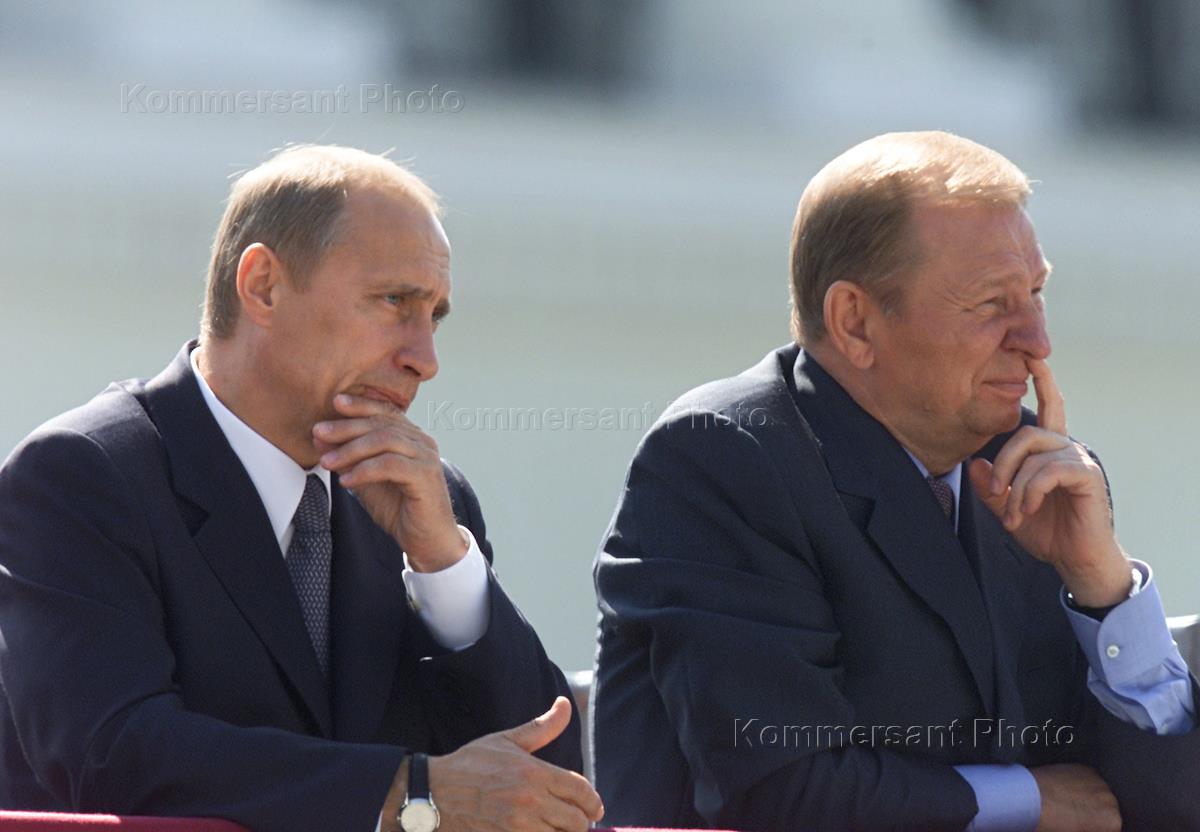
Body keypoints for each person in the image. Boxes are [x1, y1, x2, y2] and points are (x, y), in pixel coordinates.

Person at [592, 131, 1198, 831]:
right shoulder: (725, 456)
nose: (1037, 340)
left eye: (1035, 293)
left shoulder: (1041, 470)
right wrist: (1031, 800)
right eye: (991, 304)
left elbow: (1171, 804)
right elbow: (777, 792)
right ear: (855, 322)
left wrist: (1103, 586)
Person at [0, 145, 604, 832]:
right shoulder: (82, 476)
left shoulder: (430, 506)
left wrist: (447, 566)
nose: (425, 359)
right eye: (394, 302)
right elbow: (113, 754)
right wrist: (411, 794)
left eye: (434, 316)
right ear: (262, 286)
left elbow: (548, 783)